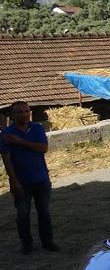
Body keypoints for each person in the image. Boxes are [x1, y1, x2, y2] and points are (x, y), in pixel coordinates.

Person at [1, 101, 57, 254]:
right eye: (20, 112)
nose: (24, 115)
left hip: (41, 178)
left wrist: (20, 142)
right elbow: (6, 159)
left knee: (44, 212)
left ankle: (47, 241)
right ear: (13, 115)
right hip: (21, 181)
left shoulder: (37, 128)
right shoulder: (6, 134)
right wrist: (13, 181)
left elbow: (43, 148)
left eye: (26, 111)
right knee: (22, 215)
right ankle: (26, 244)